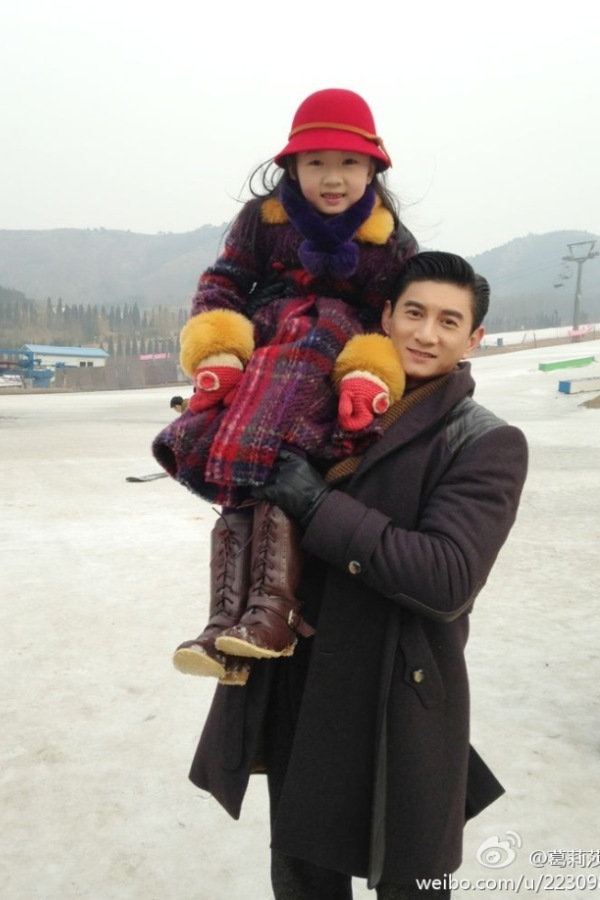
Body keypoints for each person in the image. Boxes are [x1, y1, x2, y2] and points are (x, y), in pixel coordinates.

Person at [189, 251, 529, 899]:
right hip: (305, 686)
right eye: (414, 313)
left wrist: (318, 505)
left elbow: (447, 578)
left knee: (411, 882)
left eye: (449, 321)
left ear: (473, 339)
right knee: (303, 878)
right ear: (386, 316)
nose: (426, 334)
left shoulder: (483, 441)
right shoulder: (323, 411)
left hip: (401, 701)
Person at [152, 88, 414, 684]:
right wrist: (220, 349)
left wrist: (369, 372)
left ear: (372, 168)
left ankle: (272, 613)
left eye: (348, 162)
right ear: (292, 166)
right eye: (316, 161)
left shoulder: (392, 242)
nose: (333, 177)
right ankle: (224, 626)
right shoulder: (261, 221)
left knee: (280, 474)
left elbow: (390, 319)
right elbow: (222, 283)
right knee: (240, 485)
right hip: (264, 362)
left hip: (329, 370)